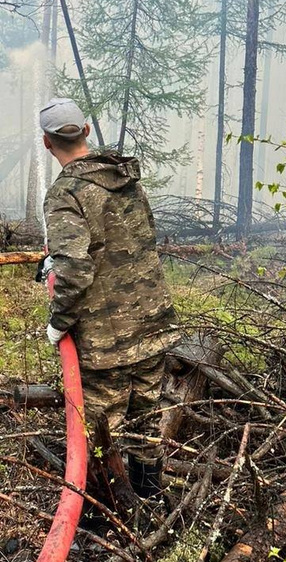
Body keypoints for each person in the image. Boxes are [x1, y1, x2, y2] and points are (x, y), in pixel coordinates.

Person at [35, 98, 181, 500]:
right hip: (152, 325)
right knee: (147, 422)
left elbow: (76, 270)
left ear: (47, 143)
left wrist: (58, 321)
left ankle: (110, 520)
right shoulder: (126, 178)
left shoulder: (65, 193)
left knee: (97, 431)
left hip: (105, 341)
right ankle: (149, 503)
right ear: (85, 132)